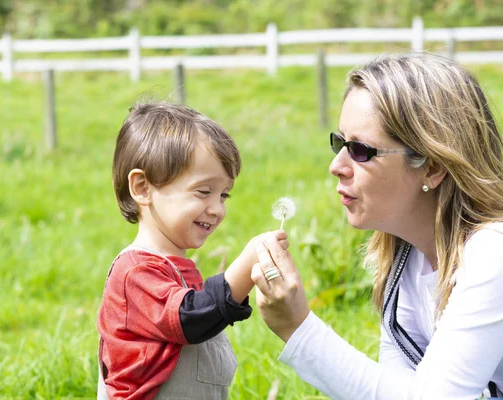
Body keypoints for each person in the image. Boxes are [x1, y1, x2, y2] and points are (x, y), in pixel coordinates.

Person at [251, 52, 503, 400]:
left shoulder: (493, 253)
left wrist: (298, 328)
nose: (336, 165)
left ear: (431, 168)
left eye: (359, 150)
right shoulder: (405, 259)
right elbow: (397, 390)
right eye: (339, 143)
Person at [97, 101, 288, 400]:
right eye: (203, 191)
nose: (217, 209)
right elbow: (192, 318)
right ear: (143, 188)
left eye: (224, 194)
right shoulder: (133, 272)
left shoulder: (179, 270)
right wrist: (245, 266)